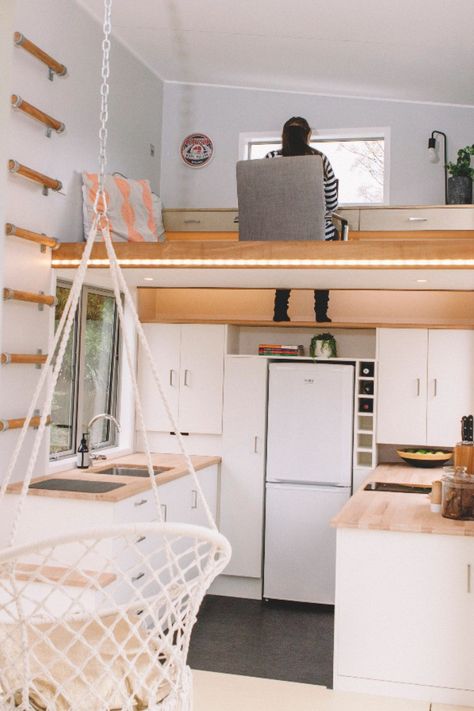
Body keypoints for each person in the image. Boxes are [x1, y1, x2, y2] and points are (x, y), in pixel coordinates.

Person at [265, 116, 338, 322]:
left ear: (284, 135)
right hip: (318, 235)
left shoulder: (271, 158)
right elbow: (331, 203)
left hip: (282, 234)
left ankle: (279, 311)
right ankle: (321, 314)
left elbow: (263, 198)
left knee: (285, 265)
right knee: (323, 263)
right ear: (308, 135)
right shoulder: (320, 159)